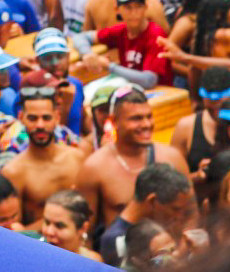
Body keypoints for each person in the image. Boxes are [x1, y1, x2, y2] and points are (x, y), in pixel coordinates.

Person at [77, 88, 191, 248]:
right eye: (136, 119)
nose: (146, 124)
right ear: (114, 121)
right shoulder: (94, 168)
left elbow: (191, 215)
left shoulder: (172, 158)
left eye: (149, 116)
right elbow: (85, 234)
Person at [1, 81, 86, 229]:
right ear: (21, 118)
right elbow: (15, 230)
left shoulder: (77, 157)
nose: (40, 125)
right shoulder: (14, 172)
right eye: (33, 118)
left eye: (46, 118)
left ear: (57, 117)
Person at [96, 161, 195, 266]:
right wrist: (180, 255)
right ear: (152, 201)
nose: (179, 217)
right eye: (175, 209)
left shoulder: (163, 228)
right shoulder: (115, 240)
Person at [169, 66, 230, 178]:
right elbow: (172, 180)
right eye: (212, 109)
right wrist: (198, 177)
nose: (218, 115)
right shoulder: (186, 127)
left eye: (223, 108)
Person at [41, 188, 101, 259]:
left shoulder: (93, 263)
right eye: (47, 222)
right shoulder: (33, 249)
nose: (49, 232)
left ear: (83, 228)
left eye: (59, 226)